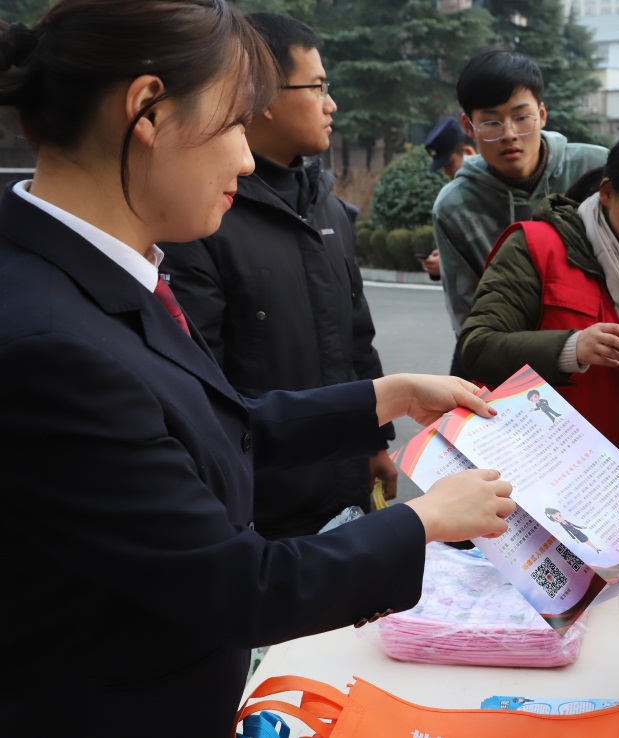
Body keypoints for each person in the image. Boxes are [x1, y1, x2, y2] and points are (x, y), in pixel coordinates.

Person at [0, 4, 514, 735]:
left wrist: (385, 394)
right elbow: (241, 587)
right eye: (235, 122)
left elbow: (200, 429)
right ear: (146, 108)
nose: (246, 158)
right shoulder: (47, 342)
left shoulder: (94, 272)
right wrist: (424, 521)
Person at [160, 12, 396, 539]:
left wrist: (375, 442)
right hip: (265, 509)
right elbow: (201, 387)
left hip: (346, 491)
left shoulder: (327, 207)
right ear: (260, 97)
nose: (331, 104)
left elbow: (358, 340)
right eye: (316, 87)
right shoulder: (205, 218)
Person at [460, 129, 619, 478]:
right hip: (534, 474)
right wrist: (573, 347)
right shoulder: (536, 247)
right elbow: (477, 348)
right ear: (608, 193)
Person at [431, 48, 608, 346]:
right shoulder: (454, 207)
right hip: (510, 356)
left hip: (603, 344)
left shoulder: (595, 169)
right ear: (468, 127)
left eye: (521, 117)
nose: (509, 134)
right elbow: (469, 318)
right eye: (491, 123)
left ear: (541, 115)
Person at [420, 116, 476, 280]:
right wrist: (444, 256)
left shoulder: (492, 193)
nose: (447, 173)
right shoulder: (456, 198)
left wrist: (446, 264)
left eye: (449, 165)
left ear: (468, 153)